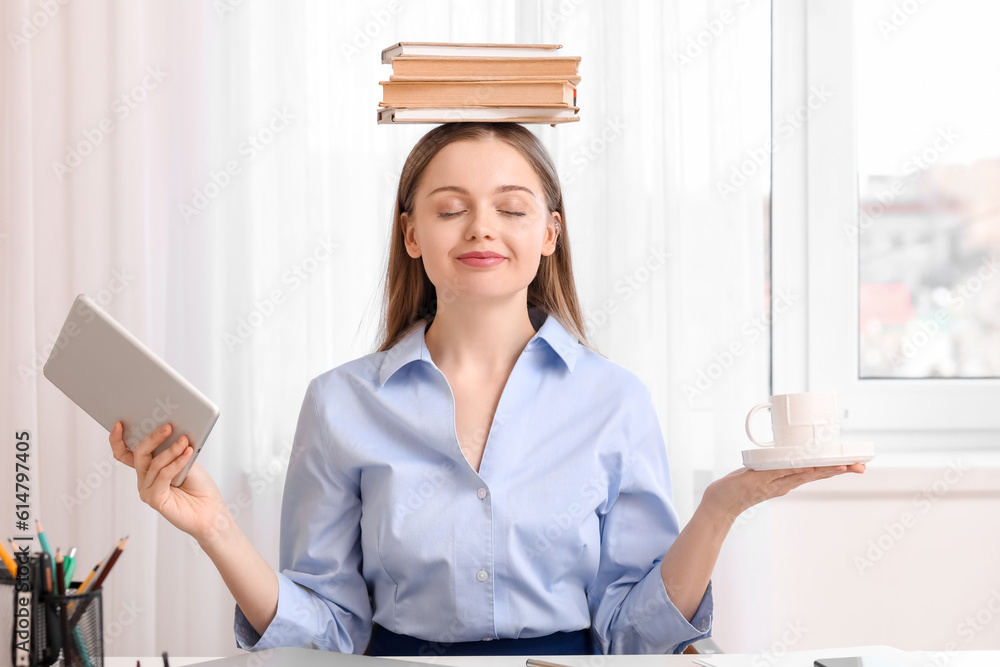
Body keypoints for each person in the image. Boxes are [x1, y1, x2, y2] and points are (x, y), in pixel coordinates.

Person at [109, 122, 865, 657]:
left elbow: (634, 631)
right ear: (411, 234)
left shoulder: (615, 401)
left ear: (549, 234)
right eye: (449, 209)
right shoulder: (340, 403)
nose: (481, 229)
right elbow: (330, 624)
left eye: (511, 208)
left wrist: (721, 505)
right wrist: (214, 527)